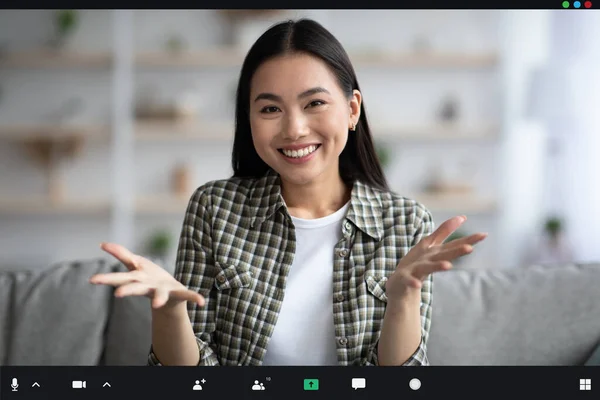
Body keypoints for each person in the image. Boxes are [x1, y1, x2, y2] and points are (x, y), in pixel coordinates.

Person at [89, 18, 487, 366]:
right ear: (249, 119)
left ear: (351, 110)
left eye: (314, 102)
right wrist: (171, 312)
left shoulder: (405, 222)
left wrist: (402, 297)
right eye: (270, 109)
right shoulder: (214, 208)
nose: (294, 129)